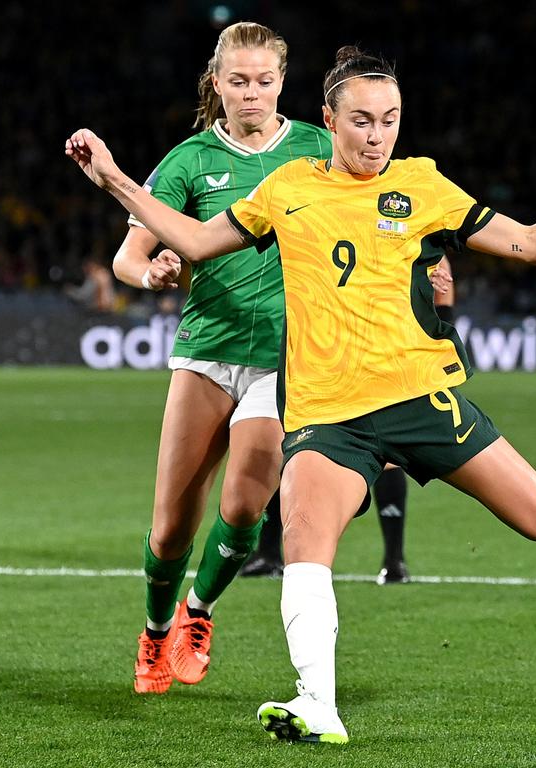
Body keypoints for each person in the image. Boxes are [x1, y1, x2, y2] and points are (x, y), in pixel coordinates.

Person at [66, 45, 536, 743]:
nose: (376, 136)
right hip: (328, 416)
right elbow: (191, 239)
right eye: (362, 120)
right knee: (306, 543)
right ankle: (317, 705)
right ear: (329, 119)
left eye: (390, 120)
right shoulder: (287, 188)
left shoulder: (422, 184)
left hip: (421, 397)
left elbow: (529, 245)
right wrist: (115, 178)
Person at [112, 22, 336, 696]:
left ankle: (199, 612)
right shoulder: (186, 161)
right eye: (238, 81)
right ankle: (155, 634)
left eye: (264, 80)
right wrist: (153, 275)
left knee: (244, 505)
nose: (252, 93)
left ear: (282, 82)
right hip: (207, 351)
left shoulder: (318, 149)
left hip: (283, 358)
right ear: (218, 83)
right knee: (172, 524)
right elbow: (128, 258)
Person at [240, 256, 456, 585]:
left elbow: (442, 278)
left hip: (380, 346)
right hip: (324, 345)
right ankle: (270, 551)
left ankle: (393, 559)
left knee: (381, 447)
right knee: (292, 439)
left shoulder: (399, 217)